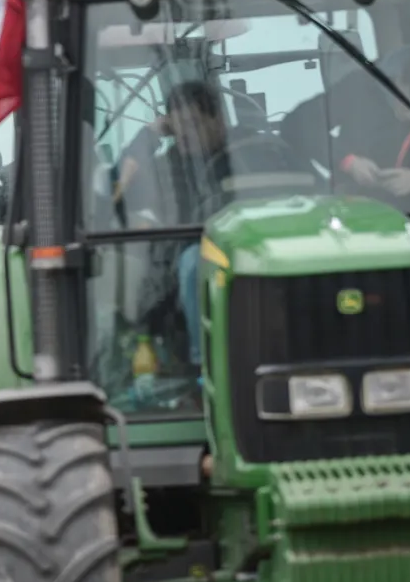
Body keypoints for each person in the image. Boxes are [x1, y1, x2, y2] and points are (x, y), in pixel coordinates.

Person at [116, 77, 304, 372]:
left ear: (217, 118)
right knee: (193, 263)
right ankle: (206, 367)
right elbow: (117, 191)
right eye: (176, 128)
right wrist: (149, 135)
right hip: (199, 264)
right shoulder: (167, 167)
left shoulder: (261, 149)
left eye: (192, 124)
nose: (183, 136)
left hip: (268, 254)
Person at [332, 45, 410, 204]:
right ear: (395, 82)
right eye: (408, 101)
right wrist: (348, 161)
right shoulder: (357, 93)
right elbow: (299, 125)